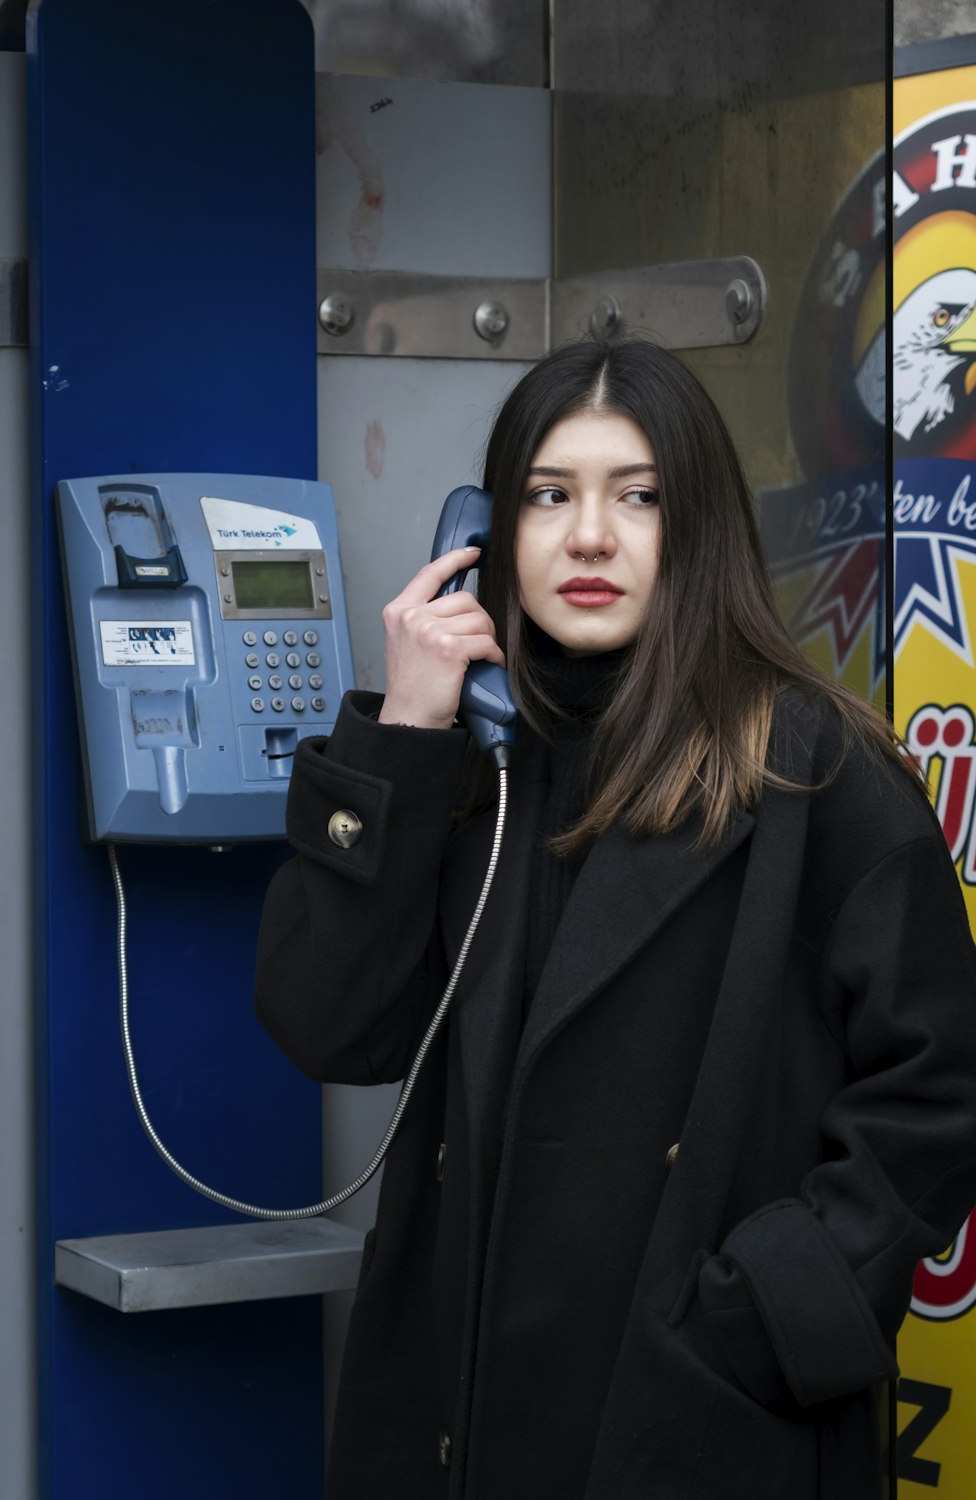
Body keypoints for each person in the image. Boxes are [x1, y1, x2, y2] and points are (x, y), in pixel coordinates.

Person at [255, 339, 976, 1500]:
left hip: (694, 1419)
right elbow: (328, 1029)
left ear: (697, 529)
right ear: (484, 533)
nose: (589, 537)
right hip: (463, 1418)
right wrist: (400, 739)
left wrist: (764, 1317)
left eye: (637, 497)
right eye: (549, 496)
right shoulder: (466, 760)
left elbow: (941, 1094)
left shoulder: (815, 770)